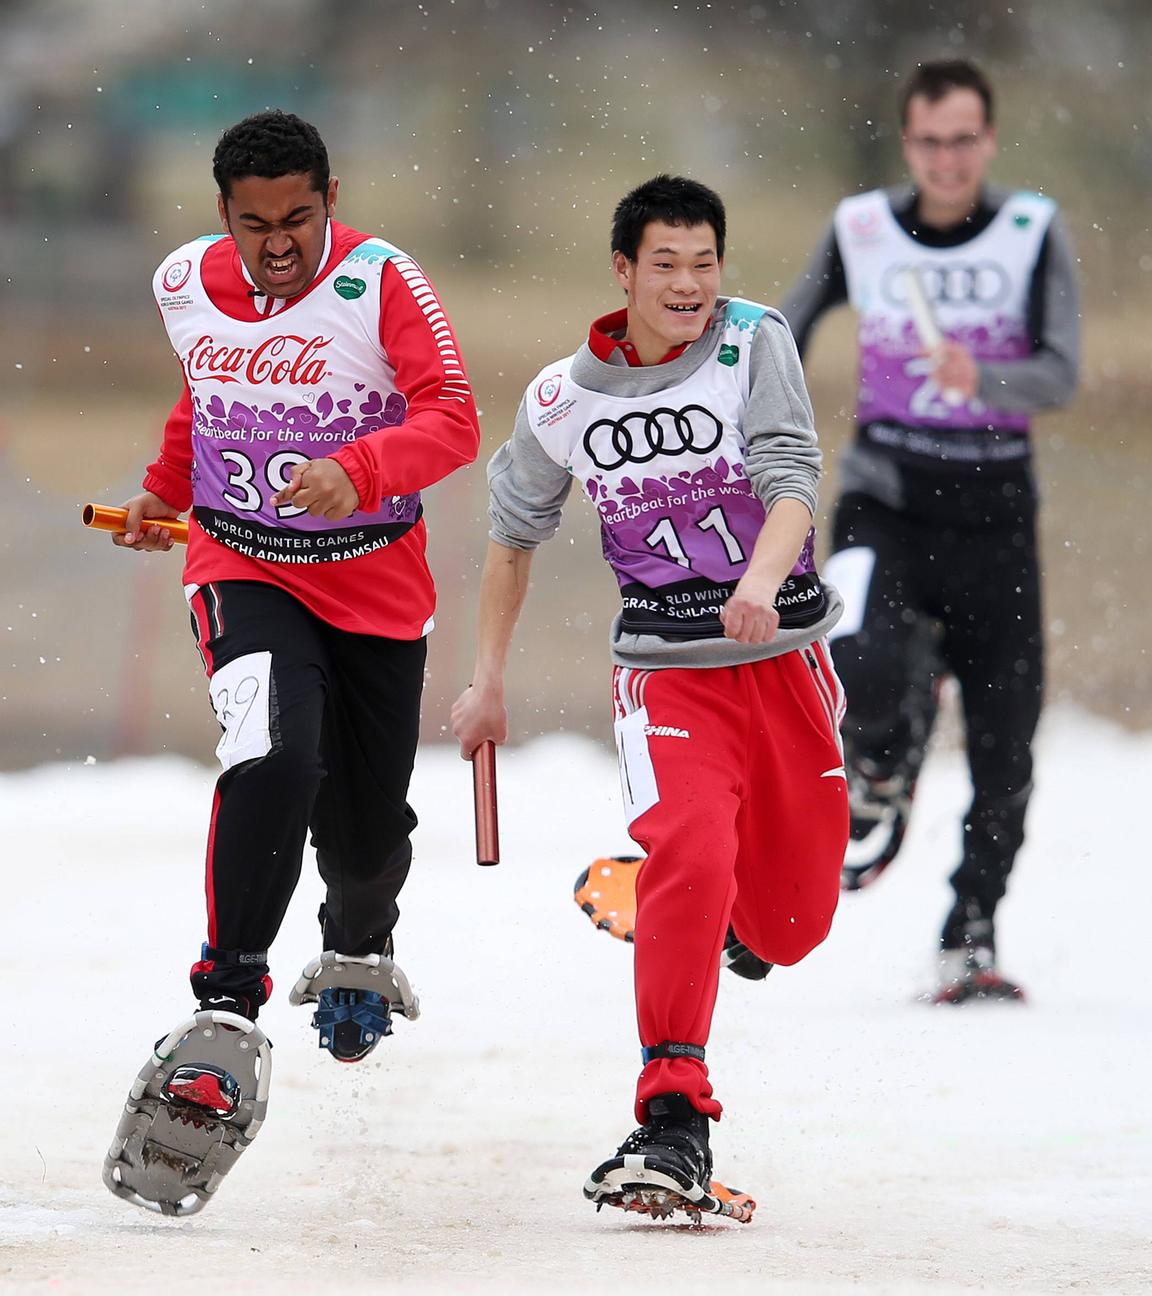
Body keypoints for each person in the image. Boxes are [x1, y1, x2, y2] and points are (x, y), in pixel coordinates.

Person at [451, 175, 848, 1221]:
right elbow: (511, 539)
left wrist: (760, 584)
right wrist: (487, 681)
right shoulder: (559, 399)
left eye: (705, 263)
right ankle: (673, 1121)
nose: (688, 285)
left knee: (797, 924)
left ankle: (698, 910)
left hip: (783, 655)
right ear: (623, 270)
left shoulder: (755, 340)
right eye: (665, 264)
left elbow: (791, 478)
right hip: (667, 668)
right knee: (698, 847)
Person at [114, 110, 480, 1061]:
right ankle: (226, 996)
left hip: (375, 585)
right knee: (272, 757)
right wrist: (164, 488)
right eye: (257, 224)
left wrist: (356, 471)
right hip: (241, 563)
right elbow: (205, 391)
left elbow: (454, 419)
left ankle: (359, 944)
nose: (280, 245)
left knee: (366, 834)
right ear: (224, 216)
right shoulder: (183, 281)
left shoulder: (382, 280)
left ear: (331, 199)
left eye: (299, 219)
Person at [780, 60, 1080, 1002]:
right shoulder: (862, 228)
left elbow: (1061, 373)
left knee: (1007, 742)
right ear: (908, 143)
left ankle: (969, 932)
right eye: (929, 141)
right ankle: (882, 765)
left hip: (995, 515)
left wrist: (983, 380)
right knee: (856, 657)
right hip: (885, 496)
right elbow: (782, 330)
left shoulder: (1032, 232)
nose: (947, 160)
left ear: (987, 141)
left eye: (963, 140)